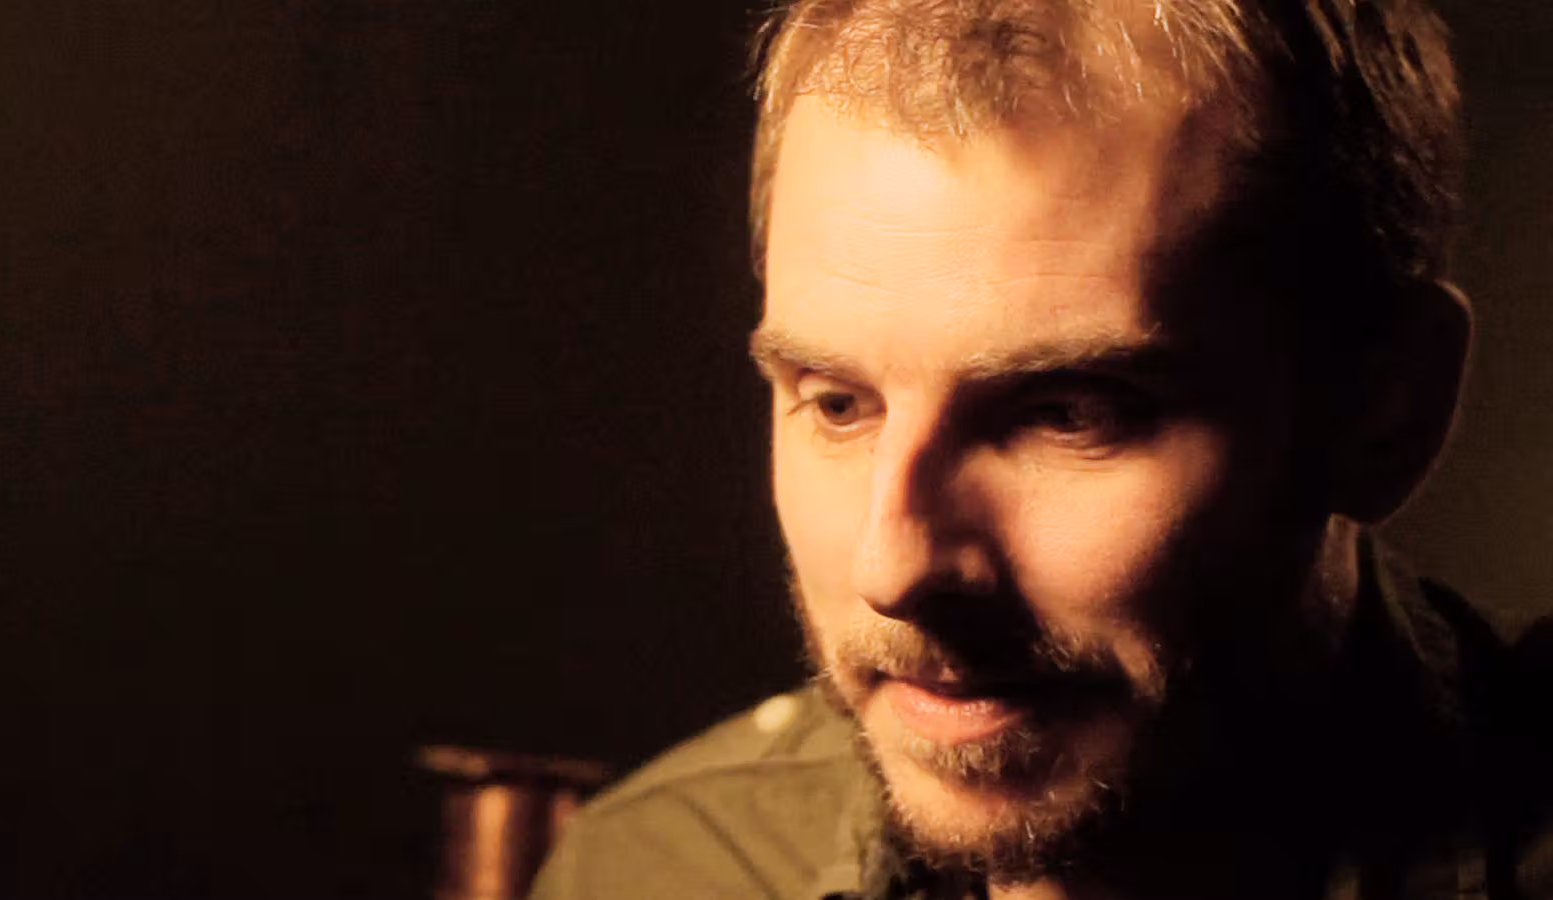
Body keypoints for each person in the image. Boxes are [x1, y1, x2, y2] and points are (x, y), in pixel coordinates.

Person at [529, 0, 1553, 898]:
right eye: (839, 405)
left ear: (1385, 410)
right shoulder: (649, 871)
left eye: (1067, 414)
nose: (895, 569)